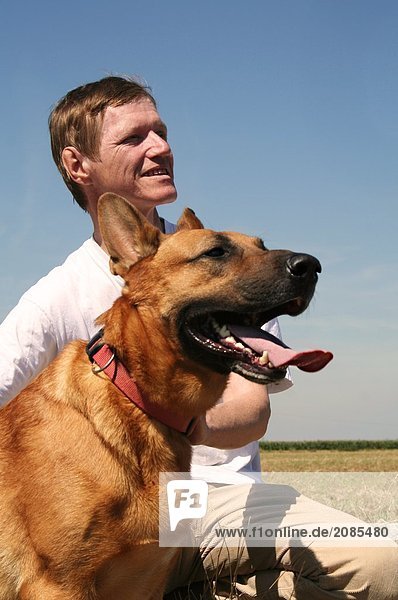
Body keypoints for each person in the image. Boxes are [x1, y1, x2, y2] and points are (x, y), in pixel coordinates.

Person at [0, 76, 396, 599]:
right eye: (134, 138)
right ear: (78, 165)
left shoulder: (225, 276)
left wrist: (142, 398)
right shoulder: (55, 296)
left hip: (215, 502)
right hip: (124, 508)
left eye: (161, 132)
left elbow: (248, 417)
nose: (160, 147)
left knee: (382, 559)